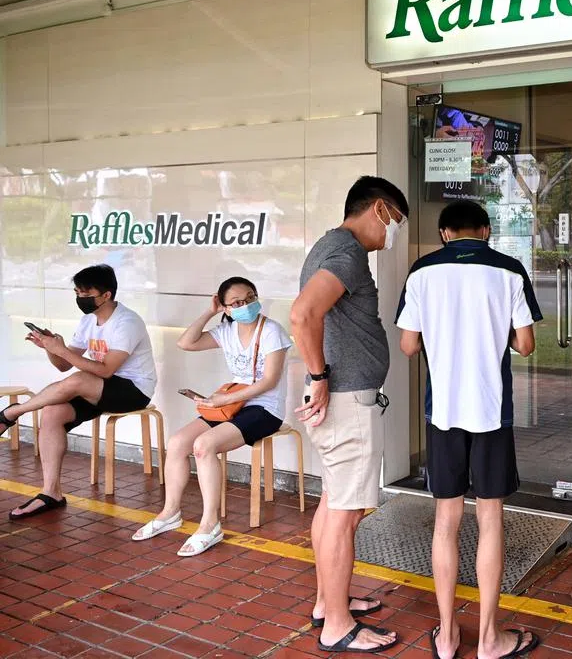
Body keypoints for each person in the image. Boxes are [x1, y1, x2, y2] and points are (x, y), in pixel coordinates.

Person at [396, 200, 541, 659]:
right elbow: (526, 344)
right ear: (486, 230)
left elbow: (407, 344)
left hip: (443, 412)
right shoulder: (509, 269)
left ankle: (447, 634)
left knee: (446, 521)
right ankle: (490, 639)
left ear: (444, 233)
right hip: (491, 411)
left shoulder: (421, 272)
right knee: (491, 518)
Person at [291, 176, 408, 654]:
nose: (393, 233)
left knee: (333, 504)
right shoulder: (347, 253)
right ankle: (337, 625)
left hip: (338, 400)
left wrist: (320, 379)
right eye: (395, 222)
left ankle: (327, 601)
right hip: (346, 401)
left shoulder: (327, 245)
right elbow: (303, 314)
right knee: (344, 513)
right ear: (379, 209)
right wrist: (320, 377)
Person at [131, 277, 291, 556]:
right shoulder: (226, 330)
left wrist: (224, 399)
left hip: (265, 408)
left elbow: (269, 381)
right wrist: (210, 312)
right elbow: (186, 342)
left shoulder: (271, 331)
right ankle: (170, 513)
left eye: (250, 298)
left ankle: (210, 524)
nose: (246, 305)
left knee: (204, 445)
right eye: (237, 303)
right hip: (233, 405)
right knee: (179, 442)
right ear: (227, 308)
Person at [2, 264, 157, 520]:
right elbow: (64, 364)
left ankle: (11, 413)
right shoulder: (88, 320)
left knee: (80, 379)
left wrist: (61, 350)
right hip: (95, 388)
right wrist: (50, 347)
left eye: (86, 294)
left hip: (132, 390)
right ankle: (51, 493)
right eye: (77, 293)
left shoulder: (127, 322)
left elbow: (106, 370)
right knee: (52, 412)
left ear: (106, 295)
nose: (80, 299)